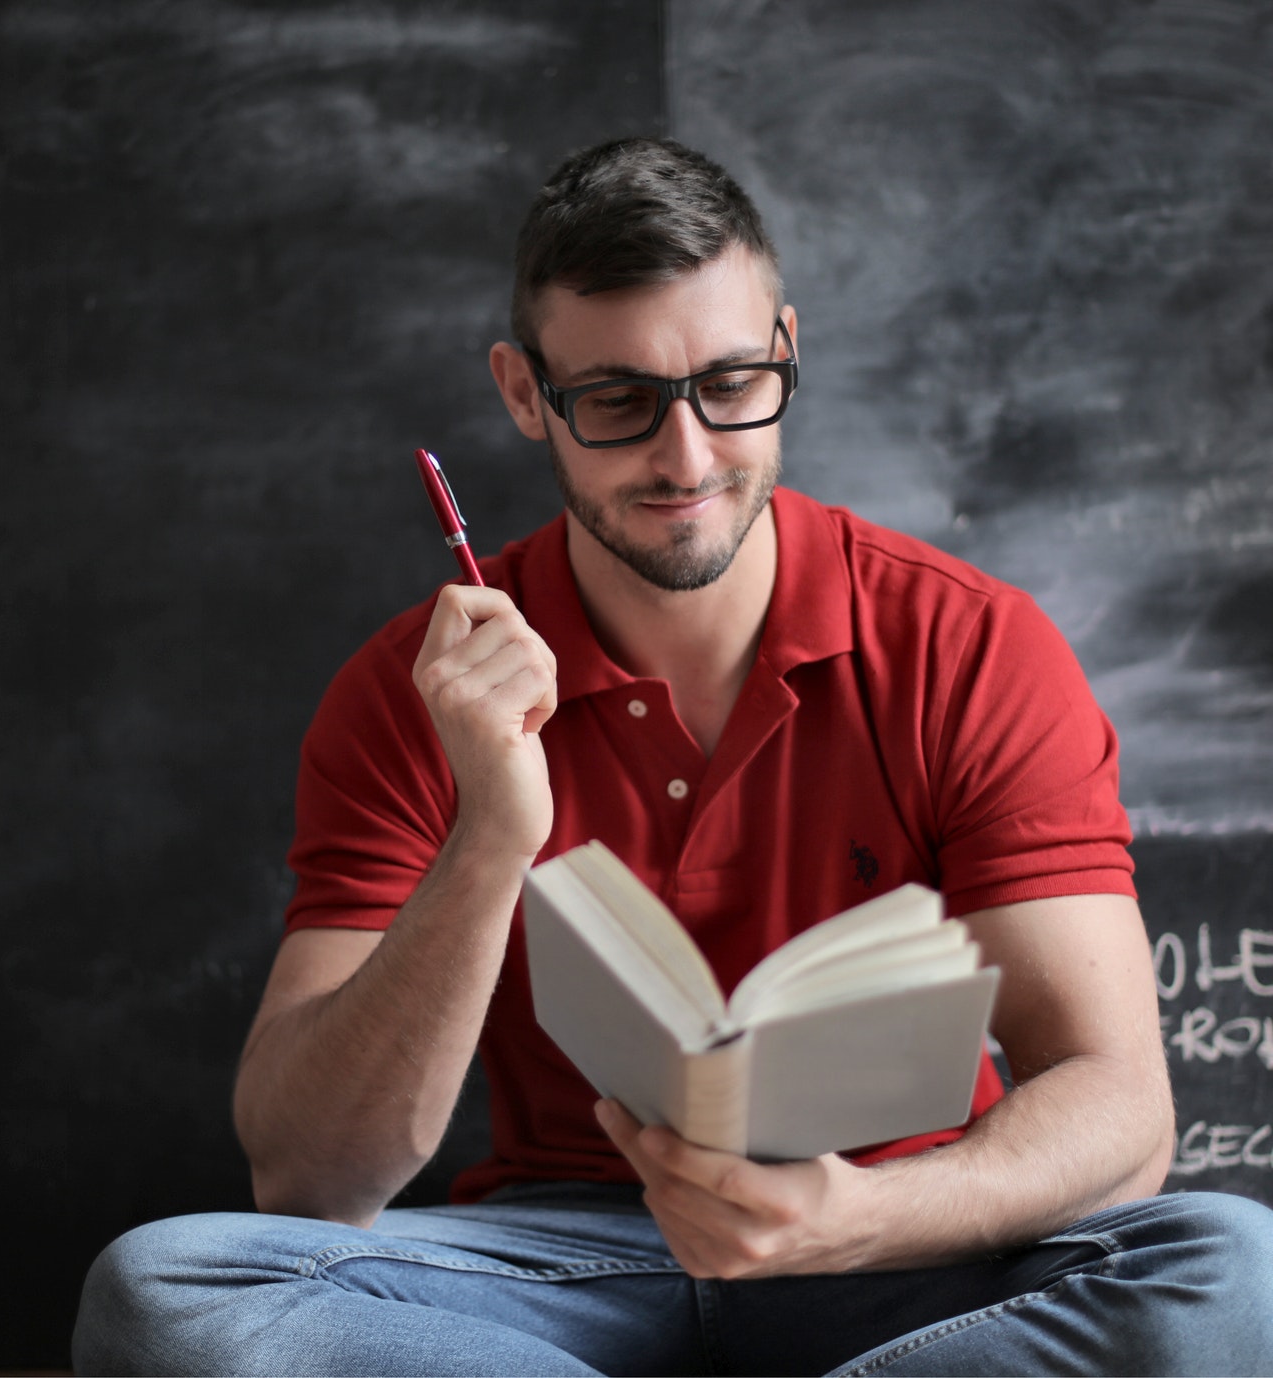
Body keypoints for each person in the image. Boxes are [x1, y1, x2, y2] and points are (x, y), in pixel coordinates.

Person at [74, 136, 1273, 1377]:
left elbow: (1120, 1112)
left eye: (731, 383)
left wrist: (849, 1223)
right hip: (561, 1267)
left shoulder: (969, 645)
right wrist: (490, 837)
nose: (687, 458)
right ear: (523, 391)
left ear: (787, 354)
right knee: (164, 1295)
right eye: (617, 400)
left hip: (901, 1253)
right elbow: (309, 1175)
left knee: (1229, 1273)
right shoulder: (412, 687)